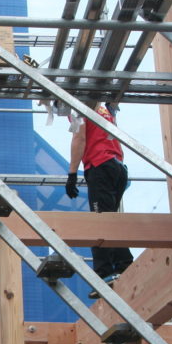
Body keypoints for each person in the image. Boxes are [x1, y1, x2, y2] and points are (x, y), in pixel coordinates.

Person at [65, 104, 134, 296]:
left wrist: (72, 174)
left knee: (100, 220)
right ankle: (124, 265)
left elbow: (79, 138)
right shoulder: (100, 108)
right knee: (111, 220)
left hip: (100, 164)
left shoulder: (78, 106)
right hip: (116, 166)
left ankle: (104, 273)